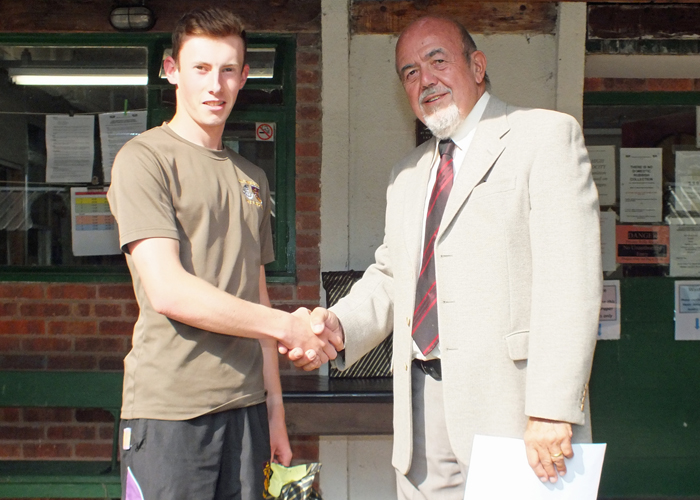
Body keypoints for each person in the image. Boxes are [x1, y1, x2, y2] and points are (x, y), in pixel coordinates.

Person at [297, 15, 602, 499]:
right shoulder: (408, 174)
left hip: (514, 409)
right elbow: (393, 274)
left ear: (477, 65)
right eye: (410, 72)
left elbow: (572, 280)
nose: (425, 80)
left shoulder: (543, 138)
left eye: (437, 60)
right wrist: (338, 325)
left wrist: (552, 407)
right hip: (420, 414)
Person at [107, 7, 339, 500]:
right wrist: (287, 327)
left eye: (228, 69)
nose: (216, 85)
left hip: (247, 410)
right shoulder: (143, 160)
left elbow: (255, 292)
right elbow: (168, 291)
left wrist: (275, 411)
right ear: (171, 70)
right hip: (170, 411)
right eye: (201, 68)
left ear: (244, 77)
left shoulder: (251, 177)